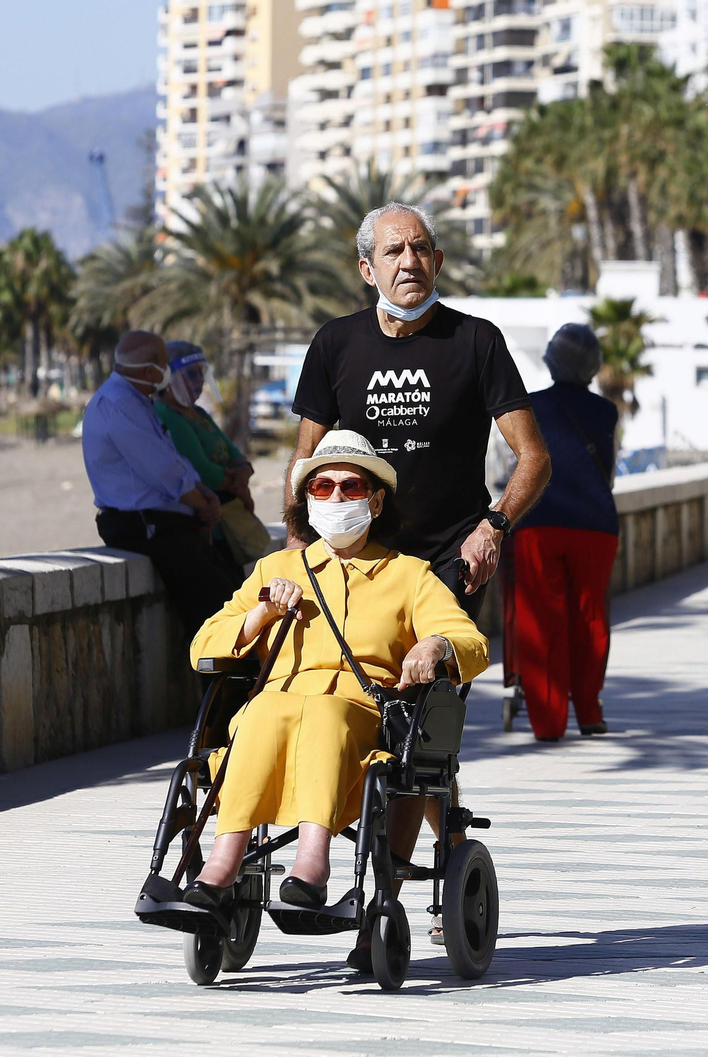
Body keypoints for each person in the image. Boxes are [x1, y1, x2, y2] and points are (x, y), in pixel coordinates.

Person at [288, 201, 551, 953]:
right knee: (374, 720)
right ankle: (447, 833)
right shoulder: (335, 344)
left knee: (417, 718)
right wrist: (297, 553)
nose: (410, 262)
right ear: (367, 268)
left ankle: (382, 895)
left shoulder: (476, 341)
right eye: (394, 251)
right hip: (359, 568)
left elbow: (534, 457)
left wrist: (493, 526)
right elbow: (304, 465)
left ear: (437, 259)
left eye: (422, 248)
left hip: (445, 567)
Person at [183, 432, 487, 926]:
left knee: (324, 712)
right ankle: (222, 862)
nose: (337, 497)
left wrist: (434, 645)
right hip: (277, 702)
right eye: (322, 487)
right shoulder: (275, 568)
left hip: (362, 712)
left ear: (376, 500)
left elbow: (469, 640)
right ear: (307, 500)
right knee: (261, 711)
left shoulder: (409, 575)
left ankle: (311, 862)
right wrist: (261, 613)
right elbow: (203, 646)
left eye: (351, 486)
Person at [83, 330, 239, 633]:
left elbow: (173, 460)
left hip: (166, 524)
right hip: (144, 525)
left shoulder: (136, 401)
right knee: (215, 606)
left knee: (230, 592)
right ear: (149, 369)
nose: (166, 371)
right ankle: (218, 664)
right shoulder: (119, 404)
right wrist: (204, 504)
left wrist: (202, 493)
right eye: (164, 364)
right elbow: (163, 473)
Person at [510, 324, 618, 742]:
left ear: (552, 360)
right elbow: (608, 473)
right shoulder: (606, 411)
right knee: (591, 617)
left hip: (539, 523)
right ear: (593, 366)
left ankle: (549, 722)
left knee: (541, 621)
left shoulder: (530, 406)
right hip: (596, 525)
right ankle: (589, 712)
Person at [154, 341, 273, 566]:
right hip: (205, 525)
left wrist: (243, 471)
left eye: (201, 374)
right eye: (191, 375)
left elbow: (234, 452)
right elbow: (202, 471)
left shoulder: (198, 412)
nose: (199, 382)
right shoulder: (165, 414)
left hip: (225, 518)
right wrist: (239, 486)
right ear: (167, 378)